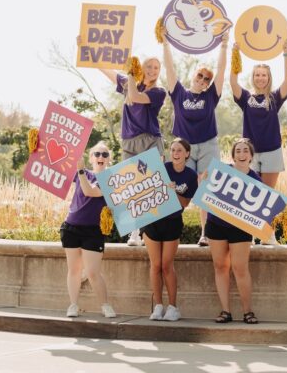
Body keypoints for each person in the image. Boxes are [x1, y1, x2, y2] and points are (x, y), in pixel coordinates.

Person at [162, 32, 229, 247]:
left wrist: (224, 46)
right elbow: (170, 67)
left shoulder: (211, 96)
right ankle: (168, 231)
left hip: (208, 144)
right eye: (200, 75)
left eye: (206, 79)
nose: (202, 80)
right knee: (179, 187)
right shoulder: (179, 93)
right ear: (193, 75)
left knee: (206, 188)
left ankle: (205, 233)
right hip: (184, 147)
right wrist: (165, 41)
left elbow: (221, 71)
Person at [98, 56, 166, 247]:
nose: (153, 70)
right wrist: (87, 51)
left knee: (147, 186)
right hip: (129, 142)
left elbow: (135, 97)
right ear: (142, 68)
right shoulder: (130, 83)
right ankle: (134, 232)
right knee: (129, 187)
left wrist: (129, 75)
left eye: (156, 68)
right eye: (149, 66)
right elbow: (106, 69)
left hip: (149, 140)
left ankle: (147, 233)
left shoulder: (158, 92)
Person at [230, 39, 287, 245]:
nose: (260, 78)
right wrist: (235, 54)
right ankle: (248, 234)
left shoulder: (275, 97)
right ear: (253, 77)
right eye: (257, 75)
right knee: (249, 193)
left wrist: (285, 54)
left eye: (264, 75)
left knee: (267, 195)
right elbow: (232, 81)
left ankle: (267, 234)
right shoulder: (246, 97)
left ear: (268, 78)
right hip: (250, 154)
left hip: (272, 151)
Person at [140, 138, 198, 321]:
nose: (175, 153)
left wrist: (173, 193)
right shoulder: (162, 168)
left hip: (173, 222)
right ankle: (158, 306)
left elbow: (186, 203)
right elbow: (143, 187)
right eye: (173, 150)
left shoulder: (190, 175)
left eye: (179, 150)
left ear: (187, 153)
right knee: (155, 265)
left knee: (166, 265)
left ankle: (173, 307)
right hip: (152, 220)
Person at [204, 138, 259, 324]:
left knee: (240, 268)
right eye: (238, 151)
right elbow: (204, 190)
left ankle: (248, 311)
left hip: (240, 228)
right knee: (220, 267)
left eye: (245, 151)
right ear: (233, 155)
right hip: (216, 225)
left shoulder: (255, 179)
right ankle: (225, 311)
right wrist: (204, 178)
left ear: (251, 156)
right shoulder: (220, 171)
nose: (241, 154)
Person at [59, 141, 116, 319]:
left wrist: (81, 171)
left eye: (104, 155)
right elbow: (56, 166)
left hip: (93, 230)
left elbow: (89, 191)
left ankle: (105, 305)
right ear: (91, 158)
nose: (101, 157)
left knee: (92, 272)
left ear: (109, 159)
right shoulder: (81, 173)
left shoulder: (111, 179)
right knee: (74, 270)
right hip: (71, 226)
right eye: (97, 154)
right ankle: (73, 305)